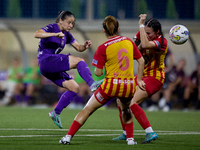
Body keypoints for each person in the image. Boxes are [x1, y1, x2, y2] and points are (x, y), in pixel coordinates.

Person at [59, 15, 145, 145]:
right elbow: (141, 60)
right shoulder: (129, 41)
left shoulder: (102, 48)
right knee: (126, 109)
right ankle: (130, 139)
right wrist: (138, 80)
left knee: (87, 109)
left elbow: (98, 73)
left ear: (104, 31)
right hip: (128, 85)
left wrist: (104, 65)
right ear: (118, 29)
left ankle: (67, 137)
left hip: (111, 85)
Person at [34, 11, 102, 129]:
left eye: (72, 23)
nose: (71, 25)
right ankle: (92, 84)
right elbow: (37, 34)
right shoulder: (53, 27)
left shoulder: (67, 34)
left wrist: (84, 46)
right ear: (61, 20)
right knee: (79, 61)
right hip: (46, 60)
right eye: (69, 23)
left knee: (74, 88)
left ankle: (56, 113)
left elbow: (78, 47)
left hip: (49, 67)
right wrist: (54, 34)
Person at [112, 14, 167, 143]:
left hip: (155, 77)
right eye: (145, 32)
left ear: (157, 32)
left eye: (149, 33)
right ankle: (126, 132)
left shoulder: (162, 41)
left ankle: (150, 132)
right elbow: (132, 52)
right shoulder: (142, 33)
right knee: (120, 100)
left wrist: (141, 25)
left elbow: (146, 44)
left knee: (132, 103)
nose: (146, 35)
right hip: (143, 75)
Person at [147, 47, 175, 111]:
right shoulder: (152, 47)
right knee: (155, 89)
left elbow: (172, 58)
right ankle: (154, 105)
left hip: (162, 71)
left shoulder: (165, 47)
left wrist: (169, 68)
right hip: (154, 72)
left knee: (166, 89)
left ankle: (167, 105)